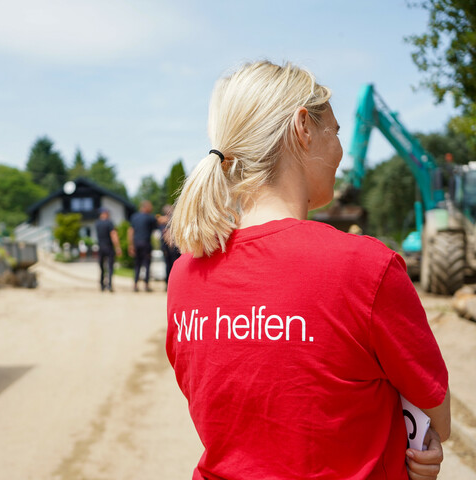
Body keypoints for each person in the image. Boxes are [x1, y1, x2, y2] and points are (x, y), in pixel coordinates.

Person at [166, 60, 450, 480]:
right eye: (334, 131)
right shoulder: (366, 267)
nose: (339, 150)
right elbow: (435, 418)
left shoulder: (185, 276)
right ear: (303, 128)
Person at [128, 200, 158, 292]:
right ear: (145, 207)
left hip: (136, 243)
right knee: (147, 265)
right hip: (146, 244)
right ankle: (146, 285)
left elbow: (130, 231)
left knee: (137, 264)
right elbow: (156, 226)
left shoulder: (134, 217)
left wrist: (131, 245)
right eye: (150, 207)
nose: (151, 209)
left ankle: (135, 285)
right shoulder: (150, 218)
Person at [94, 208, 122, 292]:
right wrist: (117, 247)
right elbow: (113, 235)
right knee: (110, 267)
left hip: (100, 247)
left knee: (102, 267)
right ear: (105, 214)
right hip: (109, 247)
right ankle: (109, 285)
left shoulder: (97, 223)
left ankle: (102, 285)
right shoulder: (109, 223)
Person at [158, 204, 181, 289]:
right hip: (169, 248)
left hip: (173, 248)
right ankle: (170, 283)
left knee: (171, 266)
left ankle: (171, 283)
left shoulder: (171, 221)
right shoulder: (164, 223)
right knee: (169, 266)